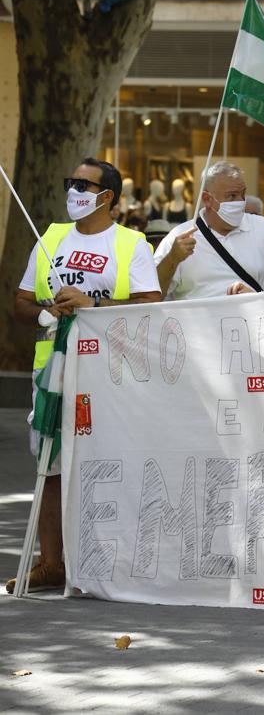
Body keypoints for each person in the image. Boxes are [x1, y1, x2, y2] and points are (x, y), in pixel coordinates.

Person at [6, 157, 162, 595]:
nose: (72, 189)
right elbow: (20, 301)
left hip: (109, 374)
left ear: (107, 197)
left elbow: (151, 303)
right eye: (69, 181)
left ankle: (108, 562)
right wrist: (45, 314)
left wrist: (94, 308)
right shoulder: (49, 238)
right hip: (52, 372)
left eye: (82, 184)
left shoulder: (132, 244)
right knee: (50, 466)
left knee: (106, 464)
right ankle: (51, 564)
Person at [154, 161, 264, 299]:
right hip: (199, 324)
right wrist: (172, 259)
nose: (240, 202)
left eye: (243, 194)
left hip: (257, 322)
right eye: (232, 196)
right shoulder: (180, 237)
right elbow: (152, 295)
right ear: (207, 199)